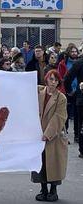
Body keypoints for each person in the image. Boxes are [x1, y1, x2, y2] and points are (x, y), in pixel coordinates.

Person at [33, 70, 68, 202]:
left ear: (58, 82)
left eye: (56, 80)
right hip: (38, 133)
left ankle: (53, 191)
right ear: (46, 79)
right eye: (51, 79)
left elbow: (59, 117)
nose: (53, 82)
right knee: (40, 164)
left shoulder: (61, 98)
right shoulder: (39, 92)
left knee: (54, 164)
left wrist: (47, 134)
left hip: (54, 136)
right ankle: (43, 189)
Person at [63, 57, 83, 157]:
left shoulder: (79, 62)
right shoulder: (79, 63)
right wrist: (70, 91)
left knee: (81, 124)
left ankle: (82, 150)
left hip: (81, 98)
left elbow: (67, 78)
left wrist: (70, 91)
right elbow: (67, 79)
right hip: (81, 98)